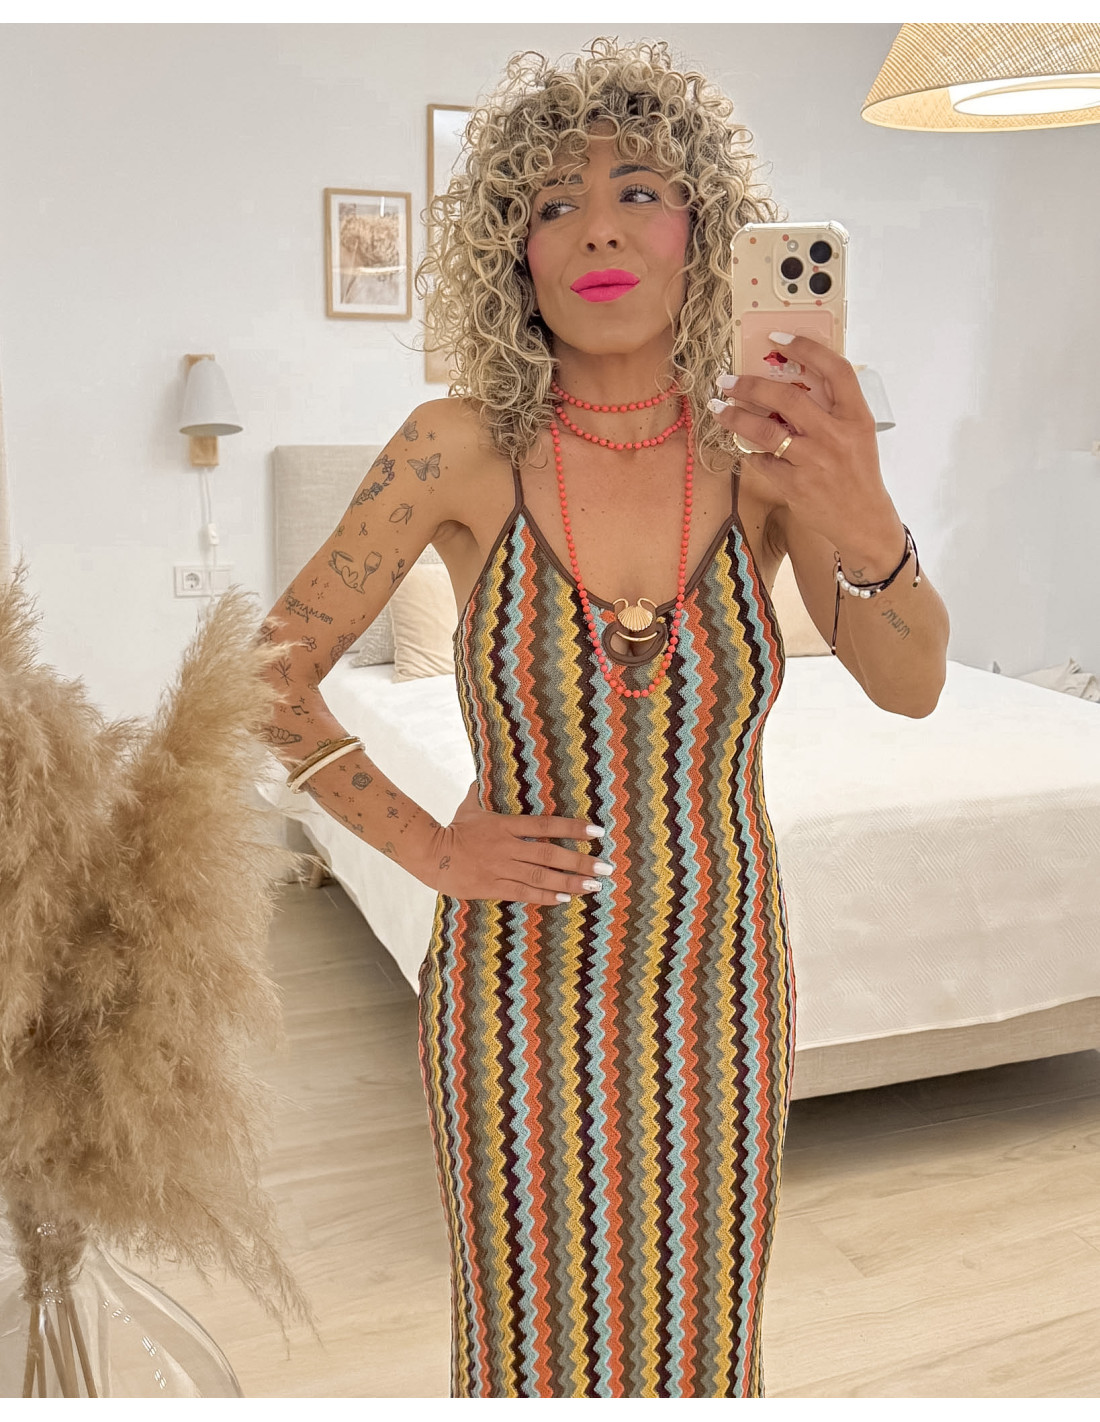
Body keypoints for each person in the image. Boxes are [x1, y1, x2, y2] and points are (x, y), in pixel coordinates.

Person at [258, 38, 950, 1398]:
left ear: (706, 229)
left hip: (721, 976)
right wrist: (430, 846)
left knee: (707, 1337)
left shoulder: (764, 455)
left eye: (640, 191)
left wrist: (861, 505)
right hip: (513, 985)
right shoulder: (451, 446)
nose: (599, 231)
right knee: (525, 1340)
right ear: (512, 251)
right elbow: (265, 677)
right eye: (553, 203)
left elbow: (913, 682)